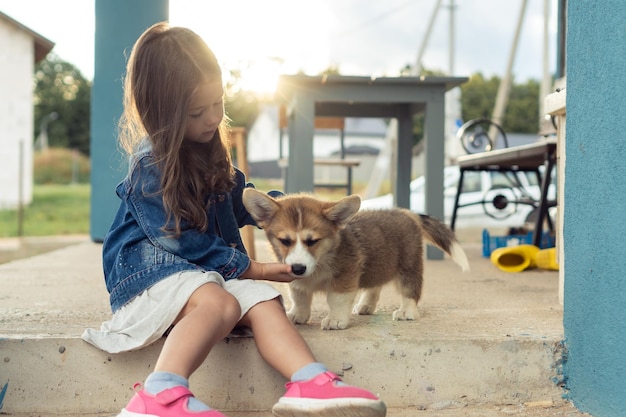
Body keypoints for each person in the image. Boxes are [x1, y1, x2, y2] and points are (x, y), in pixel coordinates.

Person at [82, 22, 386, 417]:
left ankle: (308, 382)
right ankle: (159, 396)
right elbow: (178, 241)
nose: (213, 118)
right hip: (148, 280)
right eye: (197, 111)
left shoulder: (210, 150)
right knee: (219, 301)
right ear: (162, 114)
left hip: (201, 275)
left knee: (263, 299)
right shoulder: (150, 166)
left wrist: (296, 214)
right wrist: (253, 266)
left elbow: (243, 202)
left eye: (218, 102)